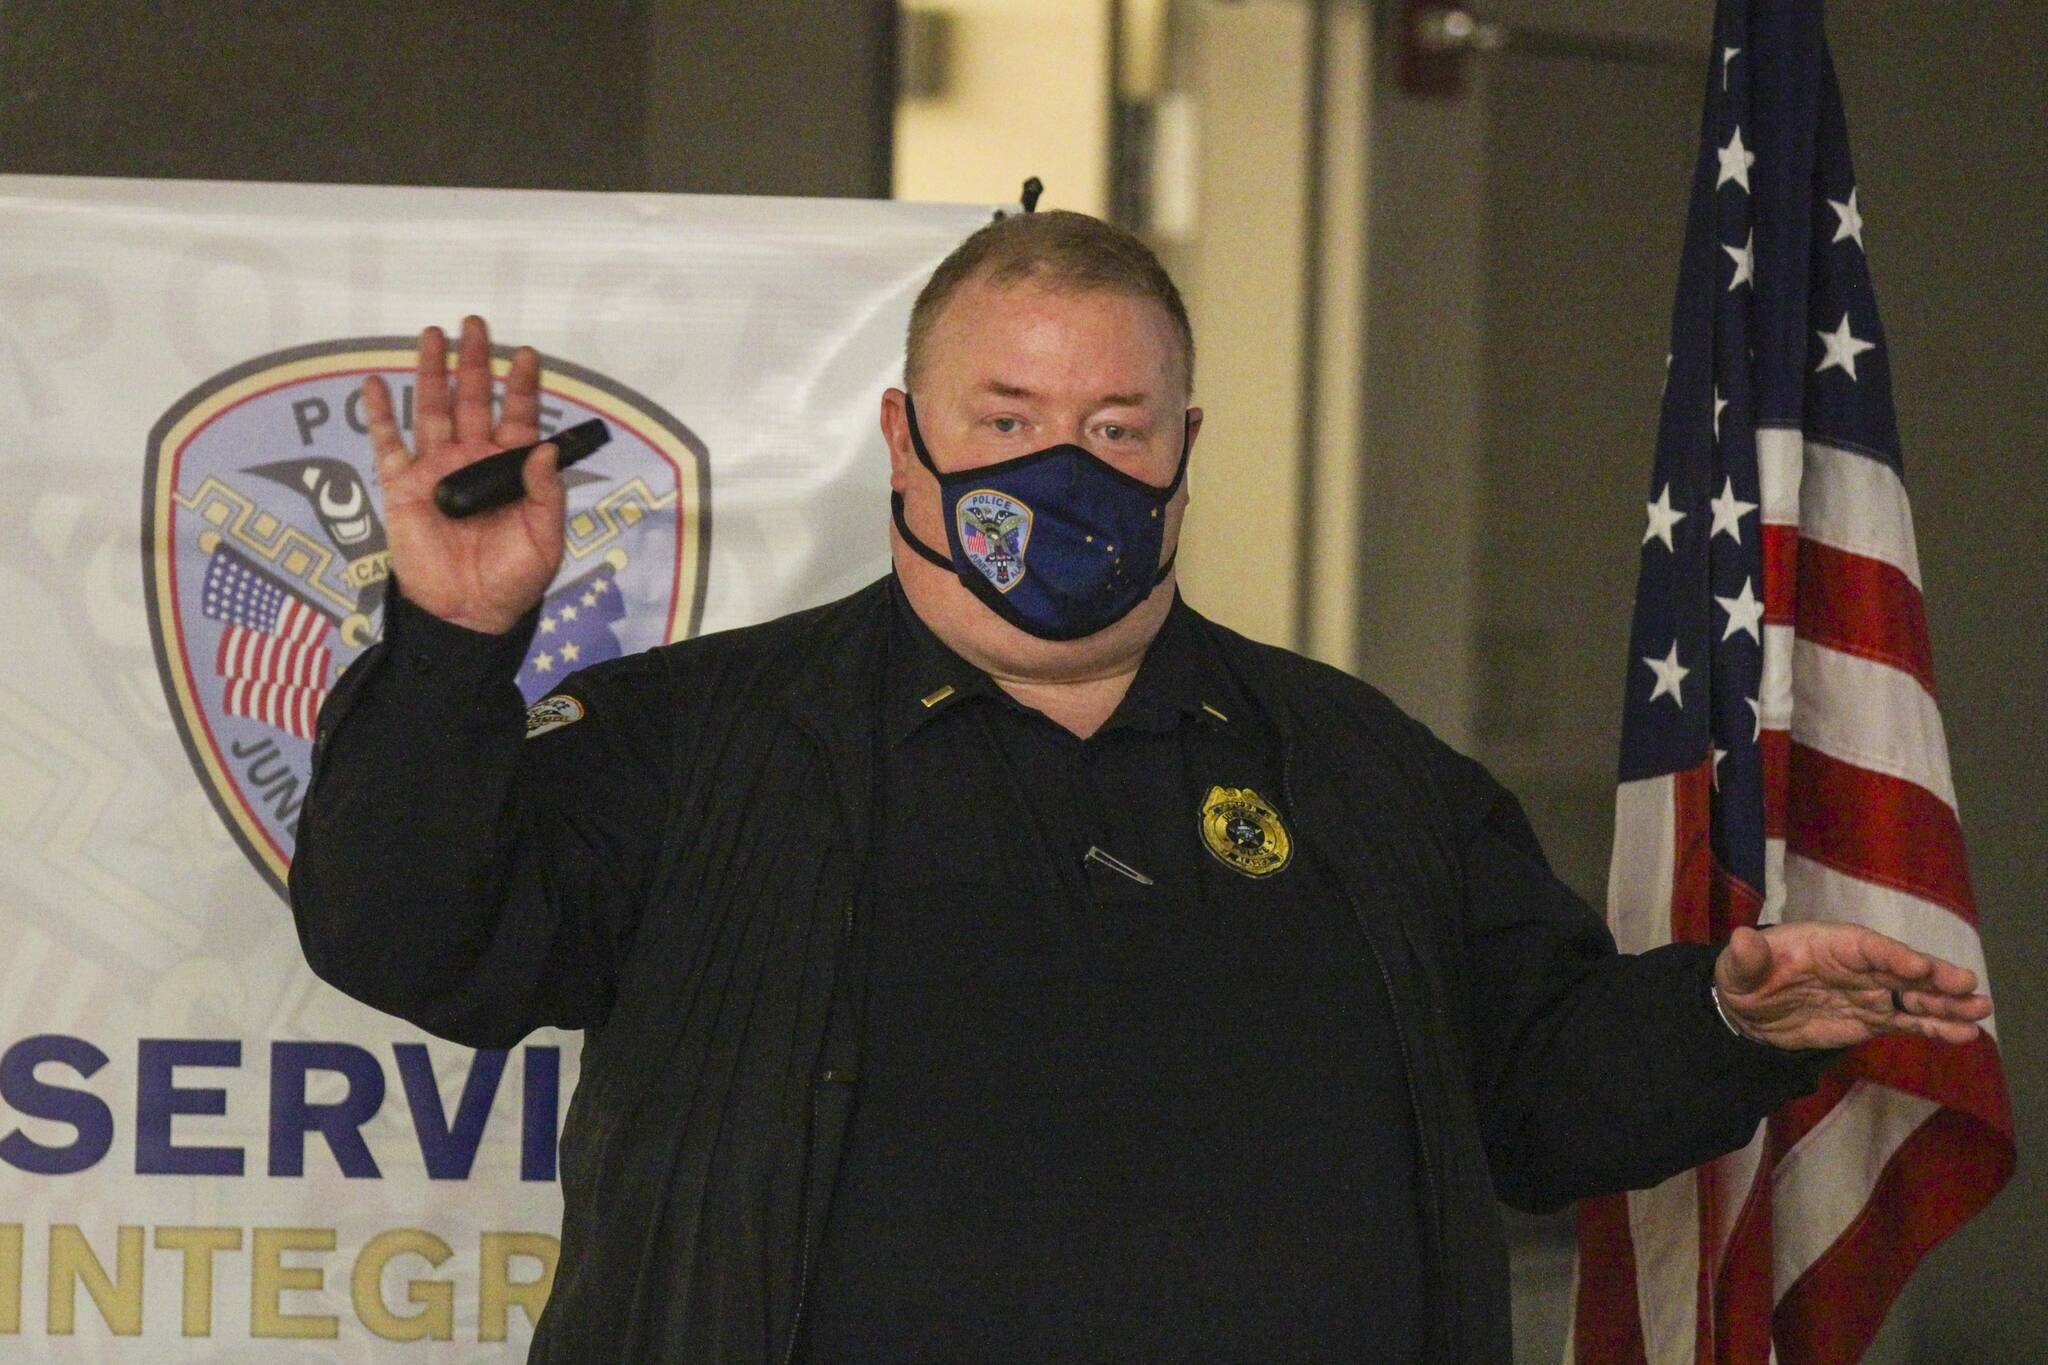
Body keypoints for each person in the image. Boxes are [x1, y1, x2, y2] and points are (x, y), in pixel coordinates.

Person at [289, 210, 1991, 1364]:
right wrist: (450, 641)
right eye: (1009, 413)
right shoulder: (699, 739)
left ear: (1186, 446)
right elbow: (408, 934)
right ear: (906, 439)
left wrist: (1724, 1018)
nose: (1066, 464)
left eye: (1118, 425)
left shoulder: (1362, 769)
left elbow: (1537, 1090)